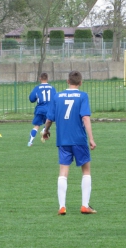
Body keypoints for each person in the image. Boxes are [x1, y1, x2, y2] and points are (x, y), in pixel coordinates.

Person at [43, 70, 96, 215]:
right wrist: (91, 138)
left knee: (63, 172)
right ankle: (85, 205)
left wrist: (45, 131)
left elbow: (49, 119)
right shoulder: (83, 96)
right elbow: (85, 118)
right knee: (86, 170)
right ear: (80, 83)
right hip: (79, 139)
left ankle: (62, 206)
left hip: (63, 140)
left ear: (67, 81)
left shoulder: (57, 96)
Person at [27, 73, 56, 146]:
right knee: (49, 122)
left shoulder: (37, 88)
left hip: (40, 110)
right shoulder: (52, 88)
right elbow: (55, 99)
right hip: (49, 110)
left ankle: (30, 142)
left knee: (36, 126)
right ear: (47, 79)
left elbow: (31, 99)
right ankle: (44, 130)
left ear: (40, 78)